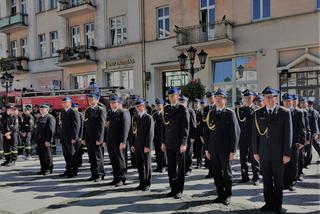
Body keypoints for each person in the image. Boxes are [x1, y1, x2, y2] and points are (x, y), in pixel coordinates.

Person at [252, 86, 292, 214]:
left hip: (278, 153)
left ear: (275, 98)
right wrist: (255, 151)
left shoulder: (284, 112)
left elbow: (288, 134)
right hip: (264, 152)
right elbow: (255, 134)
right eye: (265, 97)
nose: (267, 99)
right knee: (267, 180)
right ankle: (268, 203)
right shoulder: (258, 113)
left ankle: (278, 204)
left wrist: (287, 153)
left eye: (270, 97)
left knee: (278, 180)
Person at [204, 88, 240, 206]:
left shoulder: (230, 113)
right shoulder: (211, 113)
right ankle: (220, 194)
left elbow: (235, 133)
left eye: (220, 98)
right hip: (213, 149)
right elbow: (207, 133)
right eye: (216, 98)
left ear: (225, 100)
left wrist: (233, 150)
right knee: (216, 173)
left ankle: (228, 195)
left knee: (227, 173)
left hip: (225, 150)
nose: (218, 100)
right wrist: (206, 149)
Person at [161, 86, 190, 199]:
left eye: (174, 95)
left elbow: (185, 128)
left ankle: (179, 190)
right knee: (171, 167)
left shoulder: (182, 109)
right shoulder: (166, 108)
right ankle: (173, 188)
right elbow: (165, 126)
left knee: (180, 167)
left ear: (178, 96)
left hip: (179, 143)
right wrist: (163, 141)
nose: (172, 97)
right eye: (170, 96)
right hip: (169, 142)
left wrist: (184, 143)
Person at [104, 95, 131, 186]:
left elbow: (125, 128)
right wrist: (105, 140)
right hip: (110, 141)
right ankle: (115, 178)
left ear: (119, 103)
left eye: (114, 102)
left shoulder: (123, 112)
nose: (111, 104)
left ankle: (121, 177)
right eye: (110, 103)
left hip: (119, 141)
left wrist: (123, 141)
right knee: (113, 160)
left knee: (120, 160)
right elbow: (106, 127)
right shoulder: (109, 113)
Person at [282, 93, 306, 191]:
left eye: (289, 101)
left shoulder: (299, 112)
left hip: (294, 142)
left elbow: (302, 128)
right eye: (285, 101)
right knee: (284, 163)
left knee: (293, 164)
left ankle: (292, 183)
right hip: (283, 143)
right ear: (283, 102)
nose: (287, 103)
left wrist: (301, 142)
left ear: (292, 102)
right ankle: (284, 182)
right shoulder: (280, 112)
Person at [236, 89, 260, 185]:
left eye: (249, 97)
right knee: (243, 158)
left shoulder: (257, 109)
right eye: (245, 98)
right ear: (243, 99)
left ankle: (256, 177)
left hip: (254, 137)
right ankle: (244, 176)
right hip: (242, 137)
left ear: (253, 98)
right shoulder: (239, 110)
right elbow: (237, 125)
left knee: (255, 158)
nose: (247, 99)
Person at [131, 98, 154, 191]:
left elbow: (150, 133)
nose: (138, 108)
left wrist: (148, 146)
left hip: (145, 145)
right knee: (139, 165)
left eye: (139, 106)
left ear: (143, 106)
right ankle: (141, 182)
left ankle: (147, 183)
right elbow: (133, 132)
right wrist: (132, 144)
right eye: (136, 106)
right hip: (137, 144)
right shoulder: (135, 118)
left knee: (147, 165)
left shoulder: (148, 117)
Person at [82, 93, 106, 182]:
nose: (90, 101)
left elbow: (101, 125)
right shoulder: (87, 110)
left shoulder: (101, 110)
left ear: (96, 100)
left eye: (92, 100)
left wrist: (100, 139)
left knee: (98, 157)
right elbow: (85, 125)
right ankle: (94, 174)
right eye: (89, 100)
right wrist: (84, 138)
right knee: (91, 157)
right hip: (89, 138)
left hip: (97, 138)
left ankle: (100, 174)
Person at [59, 97, 81, 178]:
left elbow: (76, 125)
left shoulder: (73, 111)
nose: (63, 104)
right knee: (66, 155)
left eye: (65, 102)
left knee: (72, 155)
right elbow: (61, 125)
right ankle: (68, 169)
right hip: (64, 137)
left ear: (70, 103)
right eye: (63, 102)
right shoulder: (63, 112)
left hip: (71, 138)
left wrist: (74, 137)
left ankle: (74, 171)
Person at [34, 104, 56, 175]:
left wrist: (48, 140)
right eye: (40, 109)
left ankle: (49, 169)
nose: (41, 110)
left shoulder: (50, 117)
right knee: (41, 155)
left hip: (46, 140)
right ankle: (43, 168)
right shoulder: (39, 117)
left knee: (47, 155)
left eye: (42, 109)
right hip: (39, 140)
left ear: (47, 110)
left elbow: (51, 130)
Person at [179, 96, 196, 176]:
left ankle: (188, 169)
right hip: (180, 136)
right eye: (181, 102)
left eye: (183, 102)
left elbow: (193, 125)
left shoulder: (190, 111)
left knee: (188, 153)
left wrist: (193, 136)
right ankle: (182, 168)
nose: (182, 104)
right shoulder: (178, 111)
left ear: (186, 103)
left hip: (189, 136)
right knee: (181, 153)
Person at [202, 92, 215, 178]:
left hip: (215, 133)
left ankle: (216, 171)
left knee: (215, 153)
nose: (209, 100)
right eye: (208, 98)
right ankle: (210, 171)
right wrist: (202, 135)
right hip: (207, 133)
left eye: (211, 98)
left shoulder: (216, 107)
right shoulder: (205, 108)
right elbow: (204, 123)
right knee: (208, 152)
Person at [152, 98, 166, 173]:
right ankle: (159, 166)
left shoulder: (165, 114)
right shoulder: (154, 114)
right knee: (157, 151)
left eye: (159, 105)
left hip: (163, 136)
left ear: (162, 105)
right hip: (156, 136)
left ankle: (163, 166)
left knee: (163, 152)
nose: (158, 106)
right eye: (157, 105)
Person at [72, 103, 85, 167]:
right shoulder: (71, 114)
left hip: (79, 136)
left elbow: (82, 126)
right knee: (74, 150)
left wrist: (80, 136)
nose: (74, 109)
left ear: (77, 108)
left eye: (75, 108)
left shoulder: (80, 114)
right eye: (73, 108)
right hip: (73, 135)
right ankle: (75, 162)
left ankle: (79, 162)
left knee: (79, 150)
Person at [193, 99, 204, 168]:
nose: (196, 105)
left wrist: (202, 135)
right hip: (193, 134)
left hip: (199, 134)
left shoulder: (201, 113)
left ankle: (199, 163)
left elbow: (203, 125)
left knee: (199, 149)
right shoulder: (192, 111)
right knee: (194, 149)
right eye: (195, 103)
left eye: (197, 103)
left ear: (199, 104)